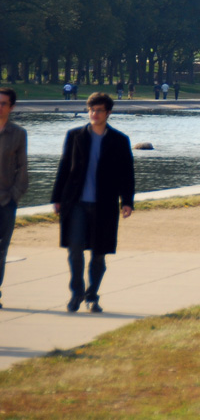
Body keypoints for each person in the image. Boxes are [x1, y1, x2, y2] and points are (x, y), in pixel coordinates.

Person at [51, 92, 135, 314]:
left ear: (108, 113)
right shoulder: (75, 136)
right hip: (76, 202)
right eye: (91, 110)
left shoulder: (119, 140)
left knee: (99, 253)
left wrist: (127, 201)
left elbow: (127, 173)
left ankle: (92, 295)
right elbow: (64, 167)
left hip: (104, 204)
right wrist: (57, 198)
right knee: (74, 249)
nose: (94, 114)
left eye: (98, 110)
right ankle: (76, 292)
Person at [0, 88, 29, 310]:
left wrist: (15, 195)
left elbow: (22, 167)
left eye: (3, 103)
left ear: (12, 107)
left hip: (5, 201)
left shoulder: (18, 134)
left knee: (1, 250)